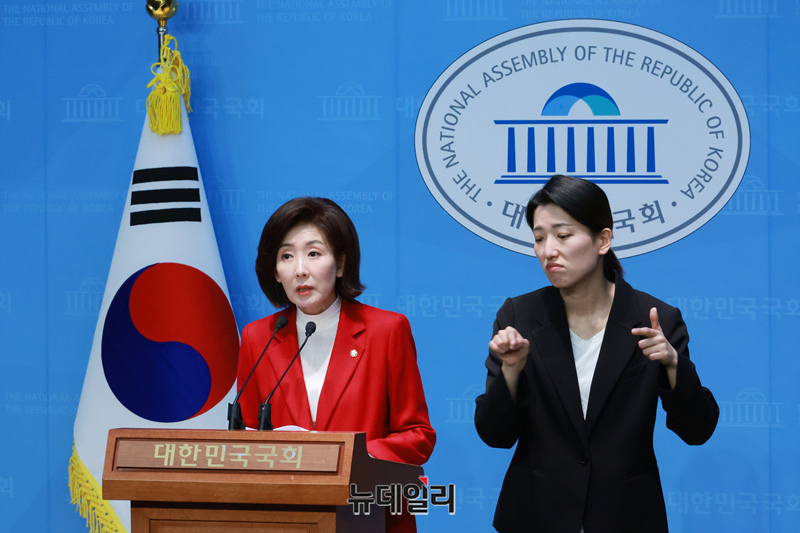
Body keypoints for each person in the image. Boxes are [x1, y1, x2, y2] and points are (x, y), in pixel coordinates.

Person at [474, 175, 719, 533]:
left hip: (626, 518)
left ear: (603, 240)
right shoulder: (519, 316)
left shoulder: (656, 319)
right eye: (539, 238)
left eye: (563, 235)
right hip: (536, 516)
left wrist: (672, 366)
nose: (548, 251)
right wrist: (511, 371)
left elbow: (698, 429)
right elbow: (494, 434)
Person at [237, 196, 435, 533]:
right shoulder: (259, 337)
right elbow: (245, 438)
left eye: (314, 254)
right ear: (275, 271)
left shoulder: (386, 331)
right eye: (287, 256)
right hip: (285, 518)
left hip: (368, 513)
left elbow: (418, 437)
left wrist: (342, 458)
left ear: (341, 264)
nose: (300, 269)